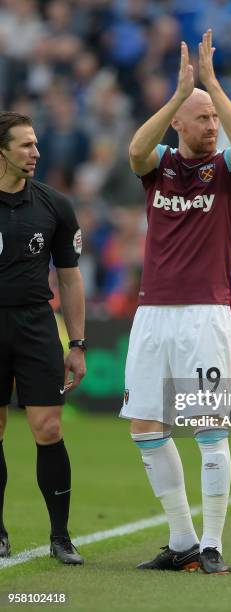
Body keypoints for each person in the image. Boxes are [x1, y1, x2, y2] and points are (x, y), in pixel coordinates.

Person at [120, 30, 231, 574]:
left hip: (205, 311)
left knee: (207, 427)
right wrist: (179, 96)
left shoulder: (226, 172)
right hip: (152, 312)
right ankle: (181, 540)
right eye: (202, 119)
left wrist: (213, 88)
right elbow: (135, 151)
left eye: (215, 119)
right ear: (178, 123)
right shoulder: (160, 168)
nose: (212, 125)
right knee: (146, 427)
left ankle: (213, 543)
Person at [0, 111, 86, 565]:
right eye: (25, 146)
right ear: (2, 151)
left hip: (36, 325)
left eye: (36, 144)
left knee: (48, 428)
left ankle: (60, 536)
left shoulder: (54, 205)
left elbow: (71, 280)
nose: (36, 153)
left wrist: (77, 344)